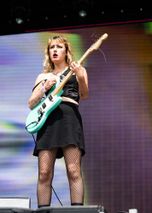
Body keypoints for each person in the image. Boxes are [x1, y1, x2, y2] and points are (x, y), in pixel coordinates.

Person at [28, 35, 88, 208]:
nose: (54, 50)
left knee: (73, 170)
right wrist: (44, 88)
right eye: (51, 47)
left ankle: (77, 211)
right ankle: (43, 210)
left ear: (66, 51)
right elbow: (31, 103)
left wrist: (80, 76)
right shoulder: (43, 76)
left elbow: (84, 94)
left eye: (59, 47)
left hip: (70, 120)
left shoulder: (78, 70)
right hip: (48, 122)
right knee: (44, 173)